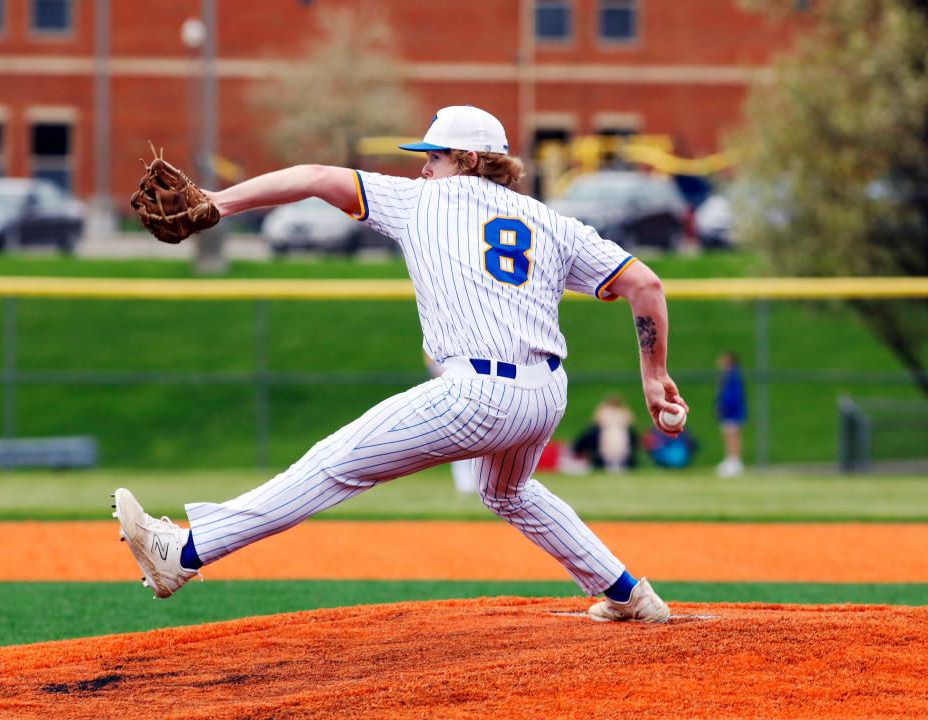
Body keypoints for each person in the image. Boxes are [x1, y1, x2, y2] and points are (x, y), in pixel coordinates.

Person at [113, 105, 688, 624]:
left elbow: (315, 178)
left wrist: (220, 202)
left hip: (477, 396)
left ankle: (183, 554)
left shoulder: (421, 202)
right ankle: (626, 592)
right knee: (508, 493)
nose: (423, 169)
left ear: (466, 160)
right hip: (544, 397)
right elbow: (645, 284)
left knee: (333, 464)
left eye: (433, 158)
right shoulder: (553, 222)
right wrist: (654, 375)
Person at [423, 352, 477, 493]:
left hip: (470, 393)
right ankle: (465, 485)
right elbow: (430, 362)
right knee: (461, 441)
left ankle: (473, 484)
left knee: (474, 441)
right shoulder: (439, 347)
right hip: (453, 394)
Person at [571, 393, 637, 472]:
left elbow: (631, 422)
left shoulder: (623, 412)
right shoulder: (604, 411)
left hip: (619, 435)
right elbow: (596, 421)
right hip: (607, 436)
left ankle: (619, 463)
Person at [715, 350, 746, 477]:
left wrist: (725, 407)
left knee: (732, 436)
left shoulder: (732, 375)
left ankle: (734, 462)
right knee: (730, 436)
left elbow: (733, 395)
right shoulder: (728, 374)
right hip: (732, 411)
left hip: (732, 411)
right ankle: (732, 461)